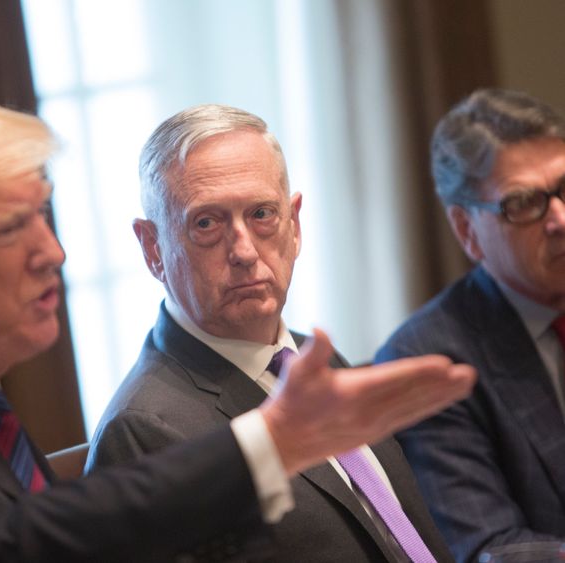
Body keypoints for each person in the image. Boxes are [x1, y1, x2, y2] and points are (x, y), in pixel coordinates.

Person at [0, 93, 474, 563]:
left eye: (45, 218)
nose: (54, 253)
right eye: (10, 227)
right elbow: (7, 543)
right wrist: (272, 440)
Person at [86, 103, 464, 562]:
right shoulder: (143, 430)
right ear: (153, 249)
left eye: (262, 213)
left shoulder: (309, 359)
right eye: (206, 223)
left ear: (295, 224)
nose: (244, 251)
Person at [375, 88, 565, 562]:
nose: (560, 219)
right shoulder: (426, 363)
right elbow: (488, 551)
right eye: (523, 203)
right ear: (465, 230)